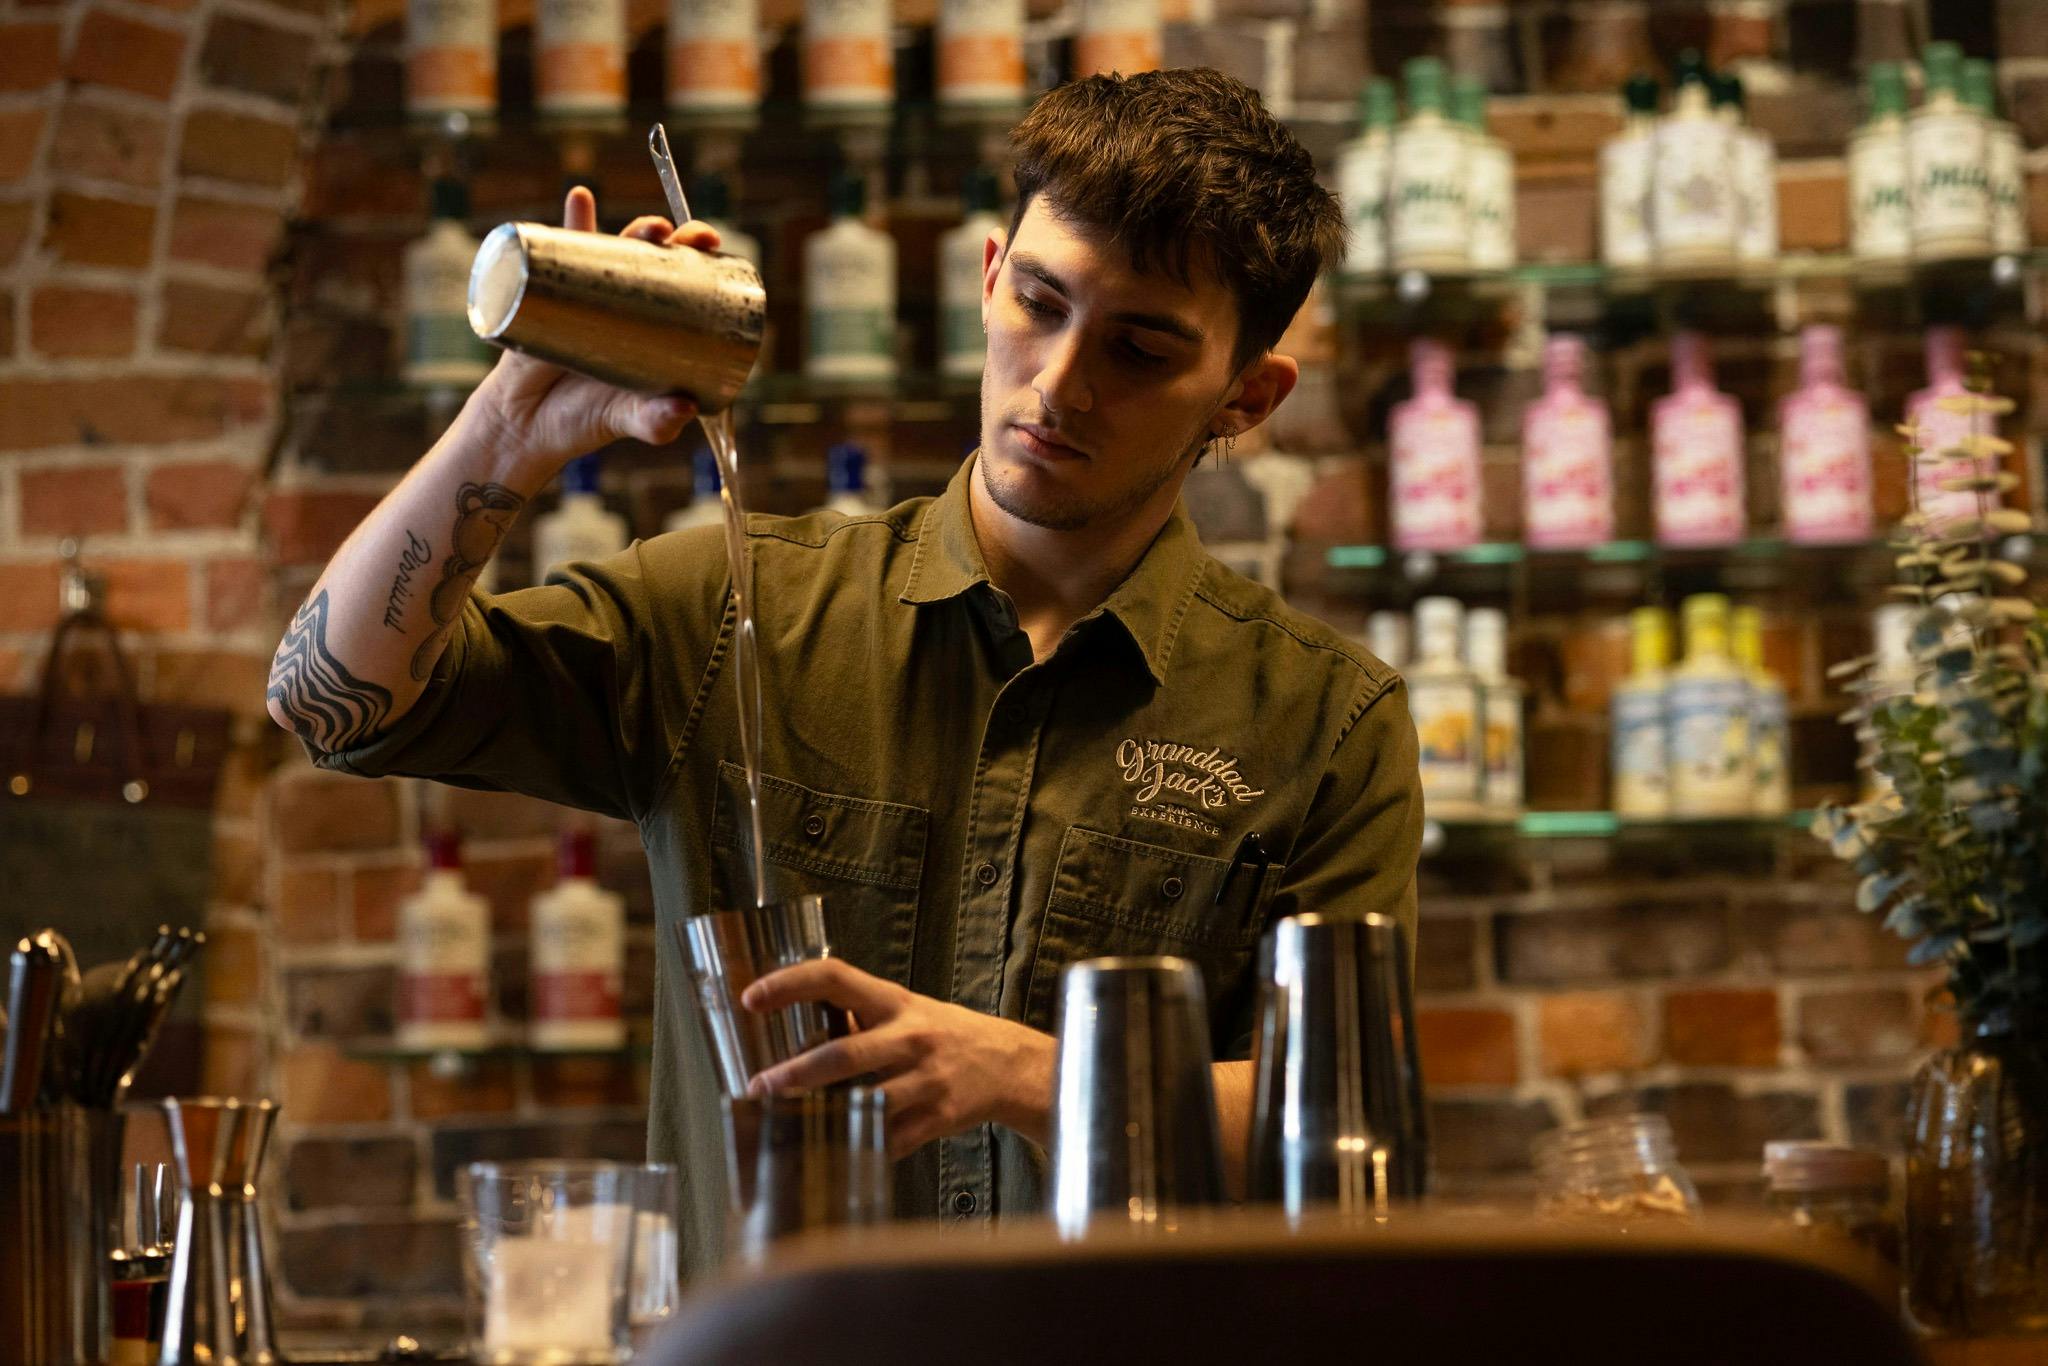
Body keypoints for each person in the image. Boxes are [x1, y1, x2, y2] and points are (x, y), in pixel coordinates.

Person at [266, 66, 1423, 1274]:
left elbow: (1354, 1137)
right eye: (1038, 301)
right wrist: (511, 424)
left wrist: (1032, 1072)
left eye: (1137, 349)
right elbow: (331, 699)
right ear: (986, 280)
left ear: (1247, 396)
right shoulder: (730, 609)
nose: (1057, 381)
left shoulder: (1322, 724)